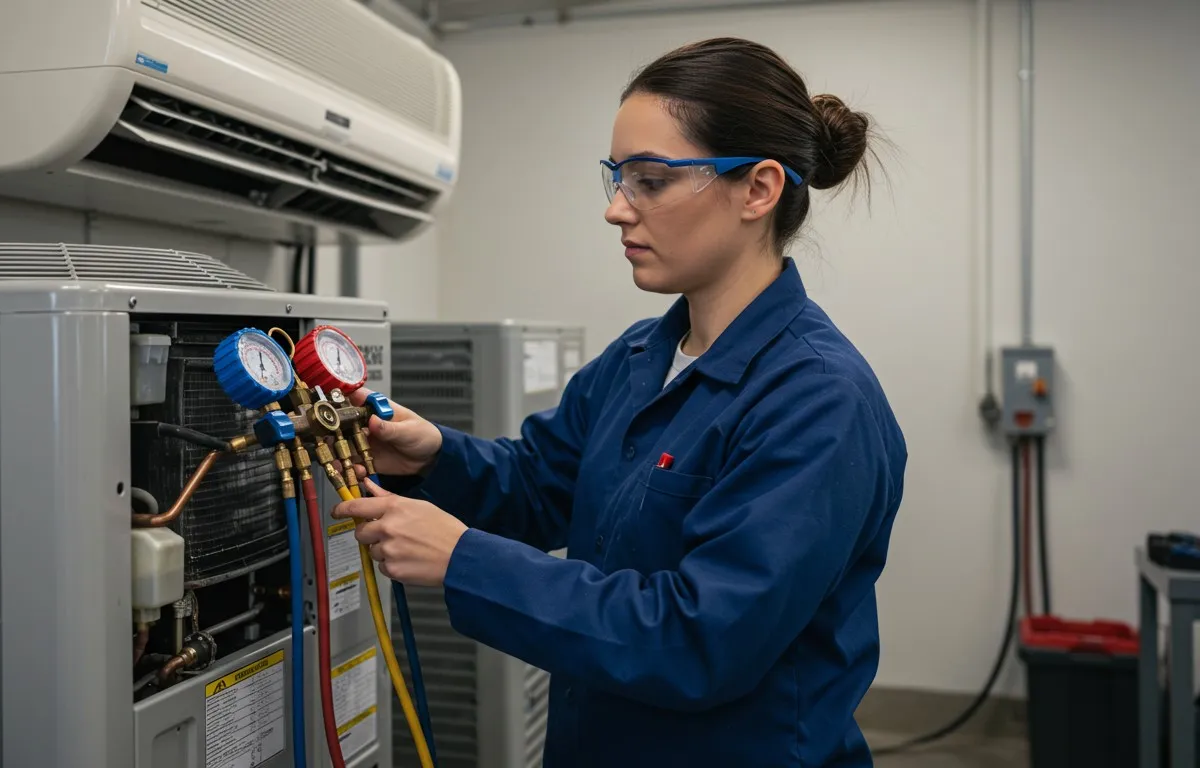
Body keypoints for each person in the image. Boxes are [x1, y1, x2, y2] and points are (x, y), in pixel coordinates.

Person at [336, 37, 908, 767]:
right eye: (617, 178)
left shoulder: (819, 400)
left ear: (758, 190)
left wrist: (463, 561)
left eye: (650, 180)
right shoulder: (642, 355)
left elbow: (700, 640)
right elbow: (543, 487)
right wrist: (434, 458)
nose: (616, 210)